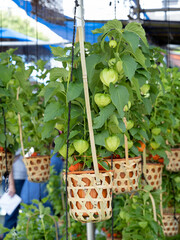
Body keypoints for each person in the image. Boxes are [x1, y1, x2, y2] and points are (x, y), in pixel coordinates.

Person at [2, 149, 27, 238]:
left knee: (16, 215)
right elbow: (7, 160)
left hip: (23, 177)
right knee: (11, 214)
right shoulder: (12, 137)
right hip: (15, 179)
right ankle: (7, 237)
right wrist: (11, 183)